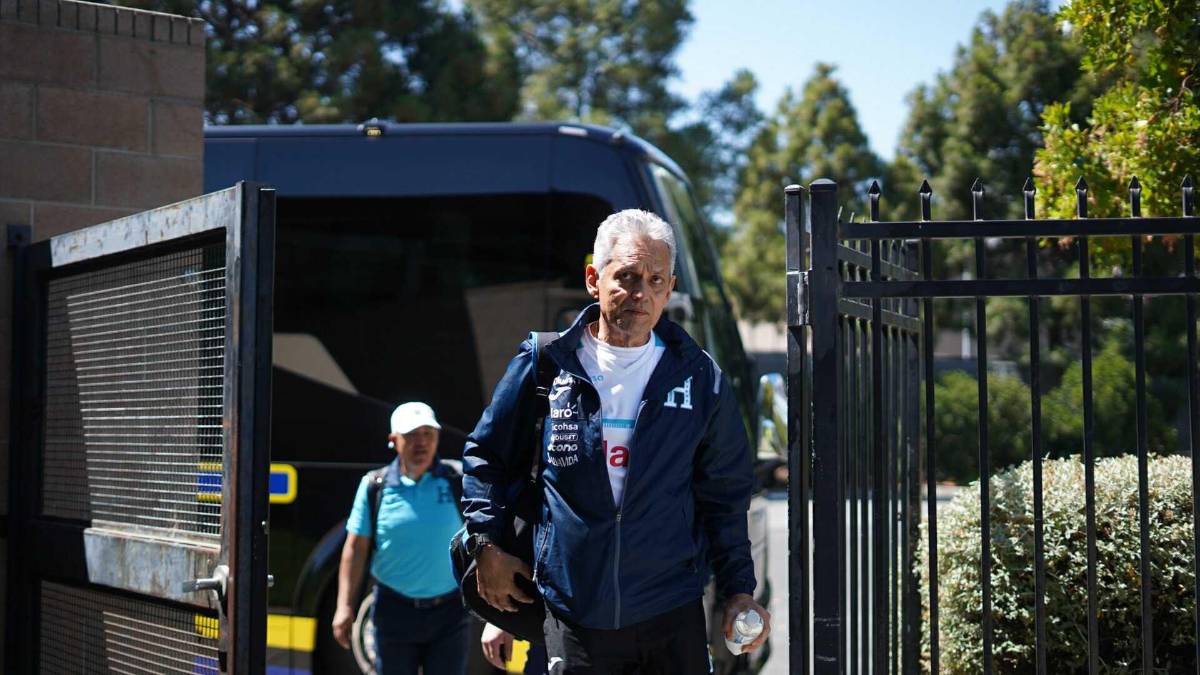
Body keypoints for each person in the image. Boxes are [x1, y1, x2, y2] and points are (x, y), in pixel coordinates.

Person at [460, 210, 770, 674]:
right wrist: (486, 544)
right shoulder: (545, 363)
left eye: (654, 279)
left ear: (669, 288)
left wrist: (738, 591)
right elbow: (486, 456)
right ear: (594, 279)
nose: (639, 293)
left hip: (671, 612)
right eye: (625, 276)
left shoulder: (699, 377)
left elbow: (724, 495)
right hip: (571, 614)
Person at [333, 402, 468, 675]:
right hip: (393, 611)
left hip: (451, 612)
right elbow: (355, 548)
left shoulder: (458, 480)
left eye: (428, 434)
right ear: (394, 440)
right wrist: (344, 606)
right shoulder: (374, 486)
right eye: (412, 435)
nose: (421, 442)